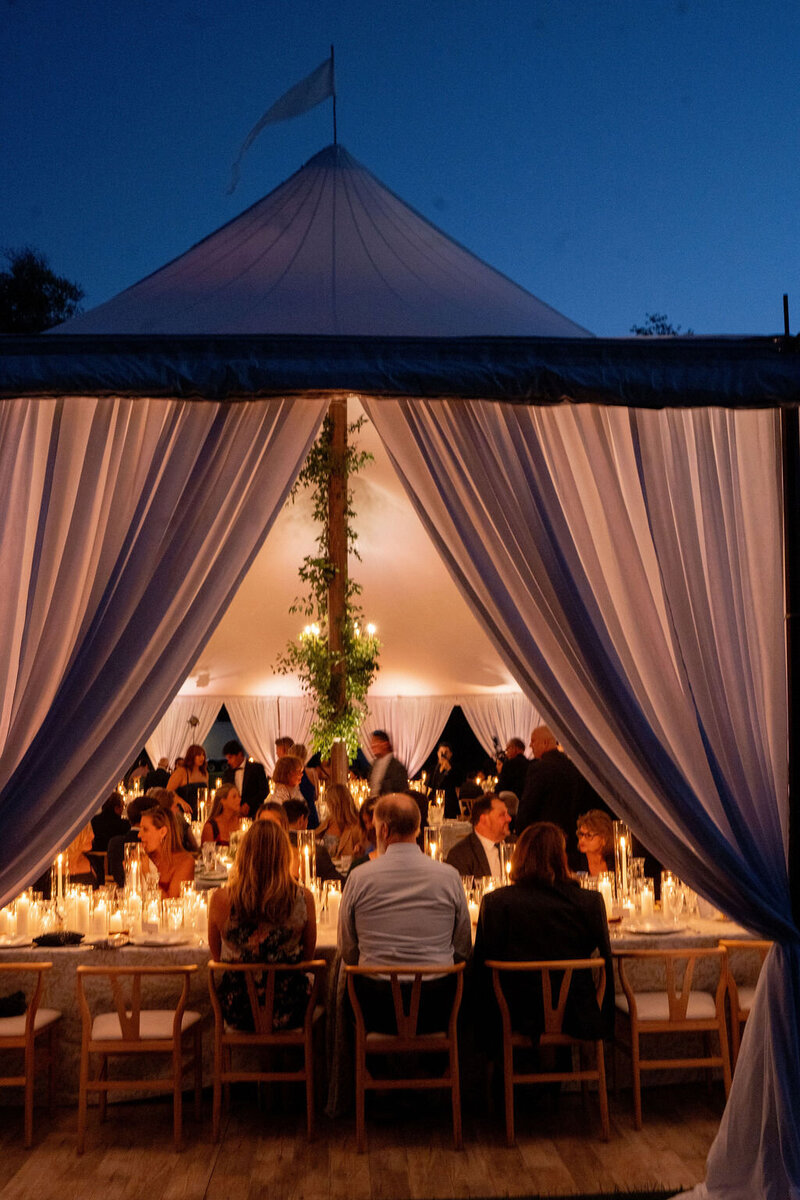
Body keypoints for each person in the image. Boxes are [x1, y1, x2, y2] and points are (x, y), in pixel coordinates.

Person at [338, 793, 471, 1032]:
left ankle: (360, 1057)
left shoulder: (359, 877)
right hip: (437, 1005)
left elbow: (347, 949)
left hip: (376, 1005)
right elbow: (462, 946)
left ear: (384, 830)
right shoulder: (449, 876)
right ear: (418, 828)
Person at [473, 822, 614, 1042]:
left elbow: (483, 961)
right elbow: (605, 957)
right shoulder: (588, 902)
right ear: (561, 857)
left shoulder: (496, 902)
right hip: (576, 1013)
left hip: (513, 1013)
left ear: (519, 856)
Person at [207, 821, 316, 1031]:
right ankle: (309, 1052)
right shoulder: (304, 898)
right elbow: (308, 958)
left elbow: (217, 957)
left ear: (243, 854)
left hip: (238, 1009)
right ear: (284, 856)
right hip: (290, 1007)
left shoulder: (220, 899)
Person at [516, 725, 610, 869]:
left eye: (533, 741)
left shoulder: (539, 768)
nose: (530, 745)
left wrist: (522, 838)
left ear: (545, 743)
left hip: (546, 845)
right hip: (573, 842)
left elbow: (527, 809)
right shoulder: (574, 767)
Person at [445, 794, 511, 879]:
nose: (509, 818)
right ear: (484, 820)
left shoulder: (517, 845)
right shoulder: (461, 855)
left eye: (507, 813)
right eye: (502, 815)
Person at [138, 806, 196, 898]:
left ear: (163, 832)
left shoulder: (185, 862)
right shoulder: (146, 859)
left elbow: (171, 901)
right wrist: (132, 874)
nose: (139, 835)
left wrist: (147, 874)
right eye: (140, 829)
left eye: (145, 829)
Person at [284, 798, 341, 881]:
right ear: (301, 821)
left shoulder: (273, 847)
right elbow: (335, 880)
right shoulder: (317, 851)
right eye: (307, 820)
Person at [221, 739, 268, 818]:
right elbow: (225, 794)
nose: (228, 762)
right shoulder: (227, 773)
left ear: (240, 754)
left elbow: (264, 791)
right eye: (227, 759)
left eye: (230, 758)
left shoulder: (256, 768)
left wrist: (249, 804)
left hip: (254, 813)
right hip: (234, 814)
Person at [315, 782, 360, 860]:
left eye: (328, 801)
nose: (327, 804)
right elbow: (314, 836)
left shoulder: (356, 826)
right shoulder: (330, 820)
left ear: (335, 803)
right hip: (323, 863)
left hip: (343, 864)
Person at [166, 743, 209, 819]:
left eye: (203, 755)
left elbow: (206, 792)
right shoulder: (181, 772)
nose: (202, 758)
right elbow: (168, 791)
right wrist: (181, 801)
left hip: (201, 812)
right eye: (199, 755)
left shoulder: (205, 773)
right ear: (191, 756)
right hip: (184, 812)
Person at [368, 729, 408, 797]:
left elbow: (402, 795)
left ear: (385, 744)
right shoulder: (373, 765)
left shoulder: (397, 768)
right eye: (372, 743)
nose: (372, 746)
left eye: (375, 743)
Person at [428, 741, 463, 819]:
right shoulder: (433, 769)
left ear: (450, 754)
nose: (443, 754)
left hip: (449, 805)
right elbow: (430, 785)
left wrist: (449, 769)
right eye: (441, 752)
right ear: (438, 753)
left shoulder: (455, 768)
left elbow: (458, 782)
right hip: (435, 805)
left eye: (446, 752)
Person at [576, 810, 615, 876]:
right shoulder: (573, 863)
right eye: (581, 834)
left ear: (604, 839)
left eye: (589, 835)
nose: (582, 840)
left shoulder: (616, 863)